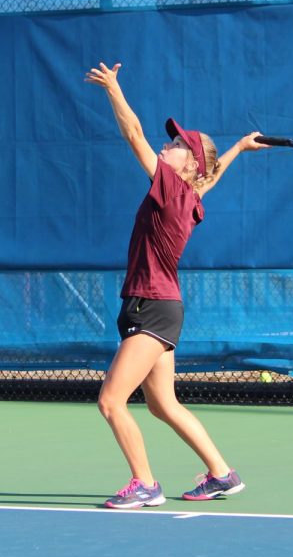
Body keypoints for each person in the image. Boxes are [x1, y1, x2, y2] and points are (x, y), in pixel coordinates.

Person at [85, 60, 268, 509]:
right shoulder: (190, 197)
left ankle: (145, 484)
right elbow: (210, 177)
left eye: (176, 145)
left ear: (188, 165)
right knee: (162, 405)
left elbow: (133, 135)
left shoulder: (171, 189)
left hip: (152, 309)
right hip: (159, 308)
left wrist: (113, 89)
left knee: (111, 401)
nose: (167, 147)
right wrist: (240, 148)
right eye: (170, 142)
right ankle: (222, 474)